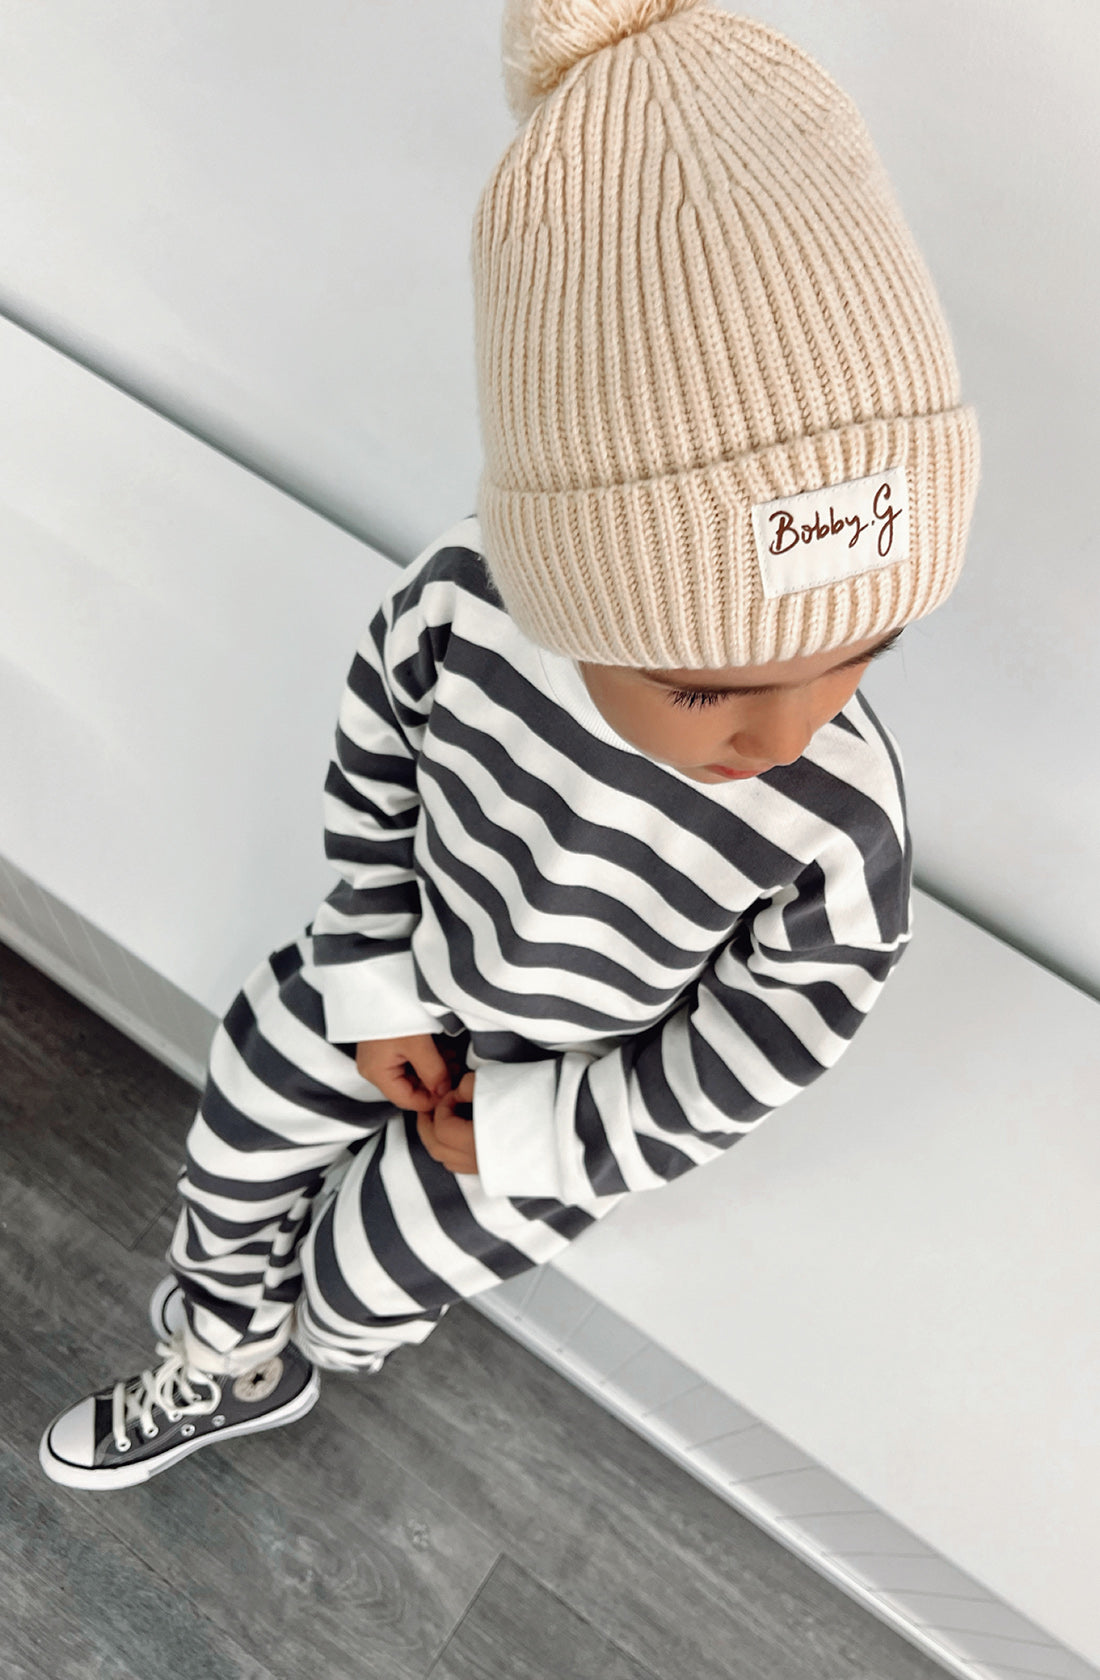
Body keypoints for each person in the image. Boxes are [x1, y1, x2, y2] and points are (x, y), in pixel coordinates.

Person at [39, 0, 979, 1490]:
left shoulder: (838, 829)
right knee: (243, 1114)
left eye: (866, 647)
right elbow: (376, 772)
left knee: (372, 1279)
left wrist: (553, 1128)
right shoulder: (463, 613)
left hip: (566, 1093)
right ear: (570, 585)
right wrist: (373, 967)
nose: (788, 728)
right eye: (703, 686)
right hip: (412, 965)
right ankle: (219, 1349)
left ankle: (310, 1355)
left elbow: (769, 1039)